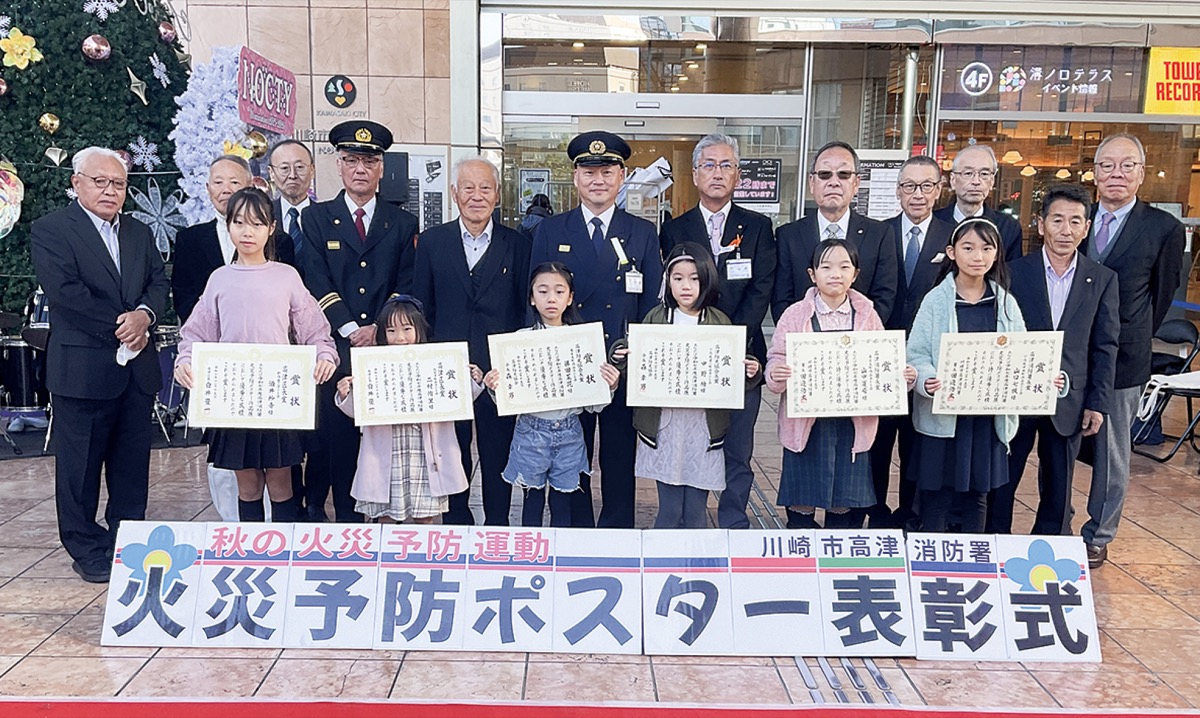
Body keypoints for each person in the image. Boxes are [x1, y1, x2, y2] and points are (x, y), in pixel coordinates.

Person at [30, 147, 169, 583]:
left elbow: (158, 281)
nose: (110, 191)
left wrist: (145, 315)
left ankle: (127, 540)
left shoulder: (138, 232)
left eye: (119, 184)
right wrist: (123, 326)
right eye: (100, 182)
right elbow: (66, 293)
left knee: (131, 466)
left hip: (136, 369)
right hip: (83, 370)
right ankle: (86, 547)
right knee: (80, 469)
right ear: (77, 183)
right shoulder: (52, 229)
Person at [174, 188, 338, 522]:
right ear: (228, 225)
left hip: (277, 398)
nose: (247, 232)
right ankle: (251, 546)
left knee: (281, 482)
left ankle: (284, 548)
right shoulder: (219, 279)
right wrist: (185, 360)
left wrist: (324, 354)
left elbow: (313, 328)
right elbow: (196, 331)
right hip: (234, 399)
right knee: (247, 485)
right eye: (239, 223)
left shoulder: (286, 276)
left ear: (271, 228)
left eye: (257, 224)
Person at [528, 131, 664, 529]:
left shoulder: (642, 232)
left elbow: (651, 307)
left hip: (620, 363)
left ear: (622, 176)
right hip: (567, 366)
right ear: (575, 178)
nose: (598, 180)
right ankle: (578, 531)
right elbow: (533, 297)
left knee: (620, 457)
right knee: (572, 454)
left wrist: (632, 358)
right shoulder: (552, 230)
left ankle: (617, 532)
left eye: (607, 172)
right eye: (589, 172)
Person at [301, 120, 421, 522]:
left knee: (384, 443)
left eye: (369, 162)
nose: (360, 169)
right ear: (338, 165)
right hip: (337, 350)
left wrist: (380, 328)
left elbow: (406, 282)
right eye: (352, 160)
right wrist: (351, 328)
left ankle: (386, 519)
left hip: (387, 349)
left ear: (381, 168)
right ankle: (348, 525)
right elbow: (315, 278)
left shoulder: (401, 222)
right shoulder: (316, 218)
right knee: (338, 443)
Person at [1079, 133, 1186, 568]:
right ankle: (1056, 522)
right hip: (1070, 353)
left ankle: (1099, 534)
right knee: (1058, 443)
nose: (1116, 174)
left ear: (1141, 173)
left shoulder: (1163, 228)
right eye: (1107, 165)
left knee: (1111, 449)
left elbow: (1162, 294)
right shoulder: (1076, 216)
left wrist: (1133, 333)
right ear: (1095, 173)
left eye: (1127, 166)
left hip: (1124, 356)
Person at [988, 184, 1120, 535]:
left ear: (1086, 228)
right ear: (1041, 224)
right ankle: (995, 540)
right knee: (1003, 478)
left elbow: (1105, 346)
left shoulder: (1102, 279)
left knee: (1059, 486)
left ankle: (1048, 547)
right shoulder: (1013, 272)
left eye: (1075, 222)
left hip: (1069, 399)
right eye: (1057, 220)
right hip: (1016, 397)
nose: (1066, 230)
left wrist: (1097, 403)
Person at [660, 133, 777, 529]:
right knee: (692, 443)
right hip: (689, 359)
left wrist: (729, 342)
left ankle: (732, 522)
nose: (717, 172)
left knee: (738, 449)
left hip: (743, 356)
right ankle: (688, 519)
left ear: (738, 175)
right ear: (695, 174)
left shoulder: (758, 227)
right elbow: (672, 292)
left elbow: (762, 288)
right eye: (708, 165)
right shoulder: (675, 229)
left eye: (726, 165)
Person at [908, 219, 1055, 533]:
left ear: (997, 253)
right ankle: (933, 553)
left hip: (985, 419)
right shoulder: (936, 300)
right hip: (943, 418)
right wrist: (927, 380)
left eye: (987, 248)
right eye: (968, 248)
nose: (978, 256)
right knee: (936, 494)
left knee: (978, 495)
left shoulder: (1005, 303)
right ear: (952, 252)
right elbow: (916, 353)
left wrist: (1041, 379)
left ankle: (972, 554)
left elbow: (1023, 355)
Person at [413, 158, 531, 526]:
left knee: (498, 451)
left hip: (498, 370)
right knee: (451, 450)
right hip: (449, 369)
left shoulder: (518, 244)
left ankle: (497, 523)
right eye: (468, 188)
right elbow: (422, 308)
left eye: (485, 188)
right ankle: (457, 522)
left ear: (497, 195)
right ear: (454, 193)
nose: (476, 196)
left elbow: (524, 309)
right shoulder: (431, 242)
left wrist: (512, 364)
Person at [767, 239, 912, 529]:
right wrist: (775, 373)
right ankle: (802, 536)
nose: (835, 274)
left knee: (843, 498)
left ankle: (837, 541)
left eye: (844, 267)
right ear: (812, 274)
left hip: (851, 422)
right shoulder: (795, 314)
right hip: (807, 421)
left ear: (855, 274)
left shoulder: (867, 314)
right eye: (826, 267)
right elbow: (777, 356)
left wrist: (901, 378)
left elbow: (881, 359)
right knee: (802, 495)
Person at [613, 243, 761, 529]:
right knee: (668, 510)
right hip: (665, 424)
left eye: (694, 278)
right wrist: (621, 356)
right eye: (677, 278)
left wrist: (750, 370)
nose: (686, 286)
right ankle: (661, 557)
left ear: (707, 280)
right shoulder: (656, 318)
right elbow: (639, 368)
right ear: (667, 281)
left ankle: (696, 557)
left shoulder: (719, 322)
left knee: (695, 512)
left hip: (703, 426)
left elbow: (732, 374)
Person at [484, 262, 619, 528]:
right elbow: (507, 399)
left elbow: (594, 406)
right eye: (543, 291)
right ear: (532, 298)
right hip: (530, 431)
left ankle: (560, 552)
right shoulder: (519, 340)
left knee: (563, 503)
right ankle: (531, 548)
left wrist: (610, 386)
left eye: (559, 292)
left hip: (570, 432)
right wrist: (494, 386)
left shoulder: (583, 341)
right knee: (531, 502)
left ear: (570, 298)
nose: (551, 299)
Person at [336, 297, 481, 523]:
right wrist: (346, 394)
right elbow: (361, 409)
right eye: (391, 330)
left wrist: (473, 381)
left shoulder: (435, 361)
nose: (400, 337)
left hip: (424, 452)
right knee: (385, 517)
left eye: (407, 329)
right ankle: (387, 547)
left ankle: (422, 547)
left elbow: (456, 400)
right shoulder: (373, 364)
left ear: (419, 329)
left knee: (425, 517)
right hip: (387, 452)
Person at [870, 156, 955, 529]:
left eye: (926, 186)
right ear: (898, 191)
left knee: (917, 444)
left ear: (938, 190)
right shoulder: (878, 233)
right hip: (882, 354)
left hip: (928, 358)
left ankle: (910, 514)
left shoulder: (953, 236)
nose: (917, 194)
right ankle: (875, 511)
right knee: (877, 441)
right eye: (909, 186)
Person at [773, 141, 898, 326]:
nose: (834, 182)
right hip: (802, 338)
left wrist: (856, 334)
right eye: (825, 174)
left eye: (843, 174)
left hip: (861, 338)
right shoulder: (788, 235)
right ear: (812, 183)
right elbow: (781, 299)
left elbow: (884, 296)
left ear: (856, 183)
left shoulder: (880, 234)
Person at [933, 144, 1023, 262]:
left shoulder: (1008, 227)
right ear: (953, 180)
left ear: (992, 181)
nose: (976, 181)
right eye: (968, 173)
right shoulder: (933, 222)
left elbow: (1011, 271)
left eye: (984, 174)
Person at [267, 139, 315, 276]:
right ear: (271, 173)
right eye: (284, 168)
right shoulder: (263, 217)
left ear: (312, 170)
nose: (293, 175)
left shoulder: (326, 218)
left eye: (300, 167)